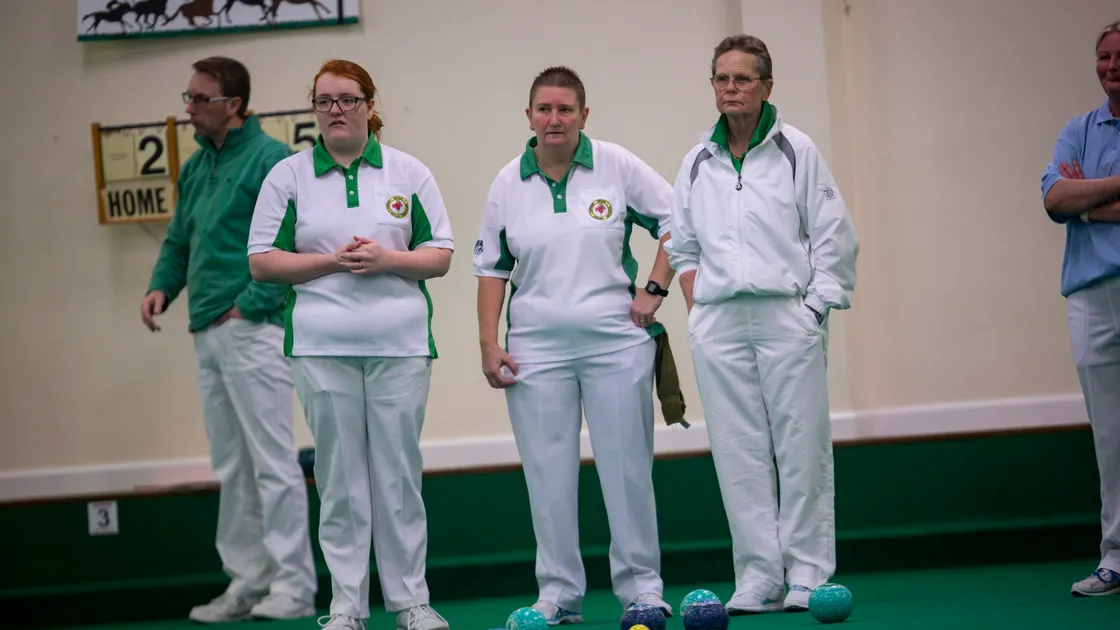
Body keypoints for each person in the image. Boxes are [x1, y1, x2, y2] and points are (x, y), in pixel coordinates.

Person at [246, 59, 455, 630]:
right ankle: (346, 607)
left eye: (347, 99)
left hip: (402, 345)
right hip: (320, 347)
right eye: (324, 101)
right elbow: (262, 261)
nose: (335, 110)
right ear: (313, 109)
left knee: (398, 475)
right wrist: (330, 261)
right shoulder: (288, 176)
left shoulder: (408, 172)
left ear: (369, 104)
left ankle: (411, 602)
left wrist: (387, 259)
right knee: (339, 479)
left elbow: (439, 254)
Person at [474, 65, 683, 624]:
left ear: (584, 115)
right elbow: (491, 268)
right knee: (547, 475)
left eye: (566, 109)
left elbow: (677, 222)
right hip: (535, 350)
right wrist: (488, 342)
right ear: (529, 117)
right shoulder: (506, 183)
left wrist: (654, 290)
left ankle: (642, 589)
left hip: (616, 343)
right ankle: (559, 595)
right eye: (544, 109)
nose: (555, 118)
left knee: (626, 470)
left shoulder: (616, 165)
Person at [665, 35, 859, 614]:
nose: (730, 89)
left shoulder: (798, 150)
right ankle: (757, 577)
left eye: (742, 79)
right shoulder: (697, 159)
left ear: (766, 87)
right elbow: (682, 243)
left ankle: (806, 574)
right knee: (736, 450)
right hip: (719, 323)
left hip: (787, 315)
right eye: (721, 79)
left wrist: (815, 308)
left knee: (800, 445)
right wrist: (699, 309)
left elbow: (835, 236)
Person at [141, 56, 318, 624]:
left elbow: (295, 242)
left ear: (234, 106)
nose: (189, 107)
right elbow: (178, 242)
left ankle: (293, 587)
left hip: (253, 328)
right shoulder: (195, 168)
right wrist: (160, 289)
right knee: (232, 462)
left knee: (271, 460)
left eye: (200, 99)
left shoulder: (271, 162)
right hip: (207, 332)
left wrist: (250, 306)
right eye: (189, 96)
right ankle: (247, 581)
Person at [1040, 19, 1120, 599]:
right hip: (1091, 297)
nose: (1111, 66)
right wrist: (1098, 199)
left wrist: (1088, 197)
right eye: (1103, 56)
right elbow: (1054, 199)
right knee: (1110, 438)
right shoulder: (1078, 129)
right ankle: (1115, 559)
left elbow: (1075, 198)